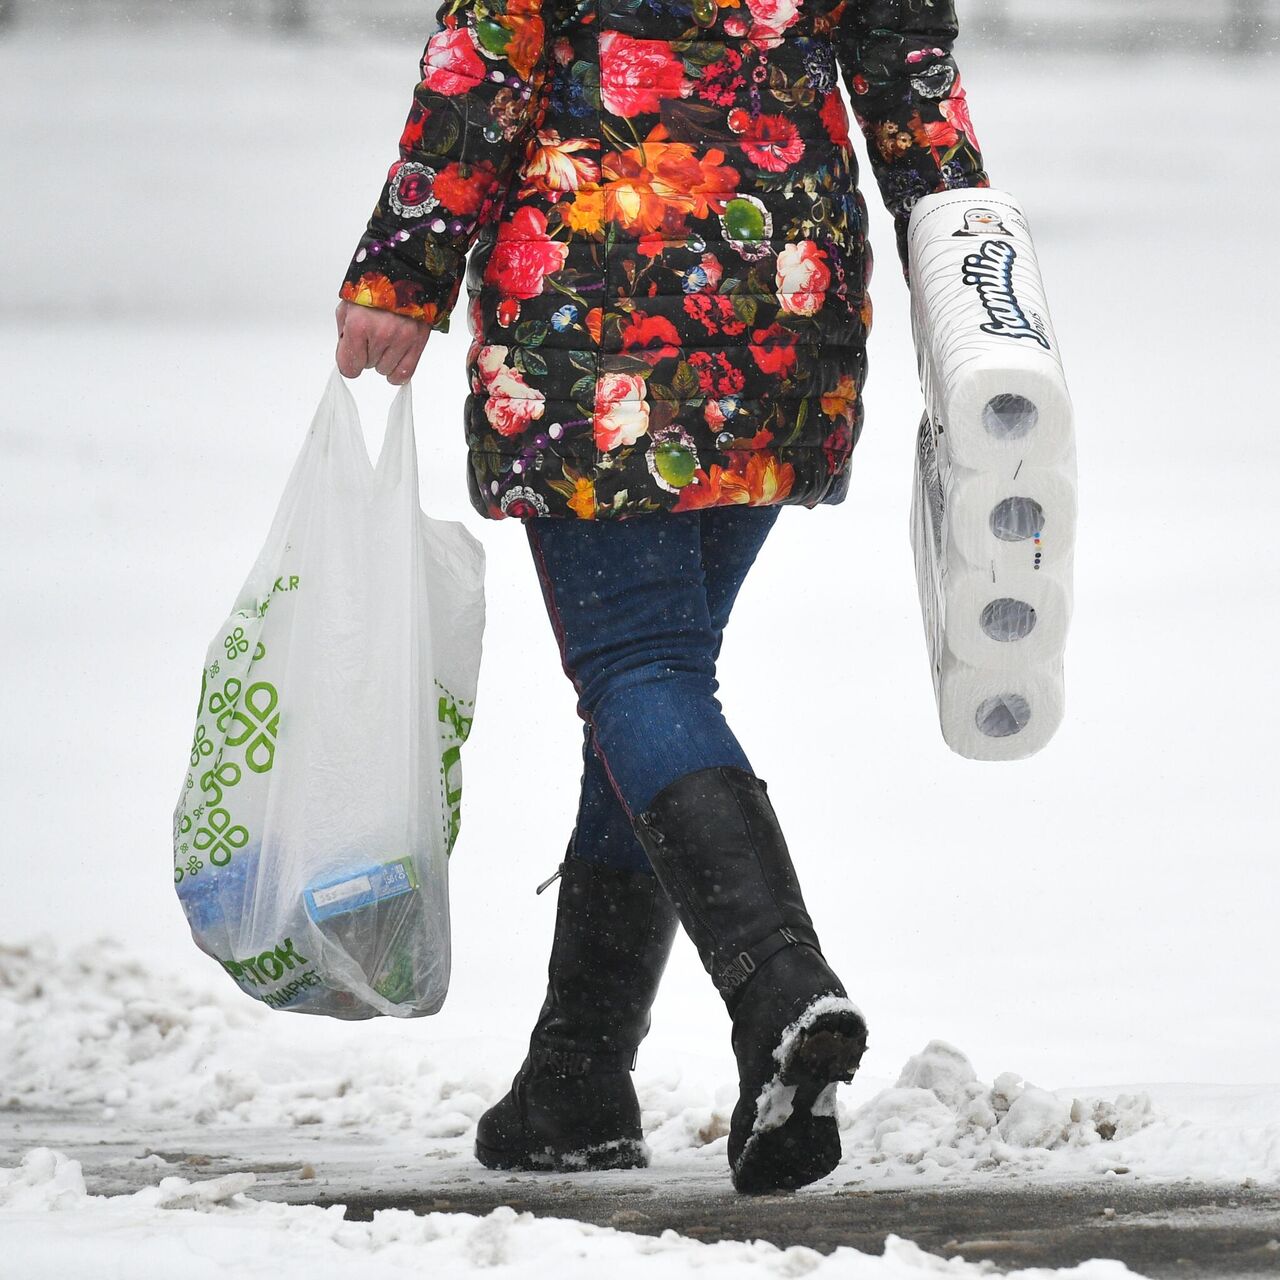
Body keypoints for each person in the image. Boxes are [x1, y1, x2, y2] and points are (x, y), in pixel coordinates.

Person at [335, 0, 988, 1193]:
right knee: (650, 687)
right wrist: (973, 277)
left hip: (595, 301)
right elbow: (906, 71)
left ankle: (776, 986)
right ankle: (576, 1075)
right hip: (782, 295)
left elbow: (486, 58)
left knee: (642, 670)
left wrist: (400, 268)